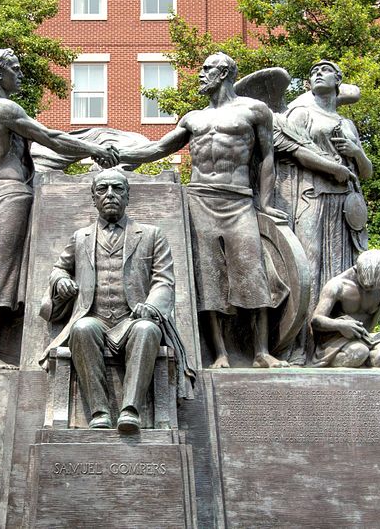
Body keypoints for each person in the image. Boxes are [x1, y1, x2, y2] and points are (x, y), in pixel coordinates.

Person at [0, 48, 118, 369]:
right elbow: (49, 137)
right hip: (12, 196)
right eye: (15, 69)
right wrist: (93, 149)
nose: (20, 75)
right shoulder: (2, 108)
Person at [119, 52, 289, 369]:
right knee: (209, 277)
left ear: (223, 72)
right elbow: (157, 149)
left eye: (205, 69)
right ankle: (221, 354)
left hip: (238, 199)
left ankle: (262, 351)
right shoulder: (192, 118)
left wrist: (265, 203)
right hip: (199, 199)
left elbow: (268, 158)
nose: (200, 75)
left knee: (252, 272)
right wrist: (117, 157)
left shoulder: (254, 111)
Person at [37, 170, 192, 433]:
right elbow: (58, 269)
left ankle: (131, 410)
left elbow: (164, 280)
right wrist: (60, 281)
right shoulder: (80, 237)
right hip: (94, 319)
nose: (110, 194)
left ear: (128, 196)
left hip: (133, 320)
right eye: (103, 189)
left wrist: (152, 307)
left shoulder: (152, 235)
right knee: (82, 328)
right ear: (93, 198)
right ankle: (99, 412)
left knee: (147, 329)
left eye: (118, 188)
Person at [285, 60, 373, 361]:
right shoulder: (301, 112)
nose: (317, 73)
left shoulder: (347, 124)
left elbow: (366, 172)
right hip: (312, 198)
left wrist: (356, 152)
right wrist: (331, 166)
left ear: (338, 80)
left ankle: (335, 343)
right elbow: (291, 150)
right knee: (307, 270)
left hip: (345, 206)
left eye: (325, 70)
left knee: (340, 272)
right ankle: (299, 348)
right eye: (313, 72)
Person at [310, 249, 380, 368]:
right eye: (367, 284)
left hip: (369, 338)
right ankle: (363, 360)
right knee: (358, 352)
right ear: (357, 270)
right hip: (338, 340)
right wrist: (340, 325)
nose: (371, 288)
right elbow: (316, 320)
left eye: (375, 285)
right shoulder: (337, 286)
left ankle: (366, 361)